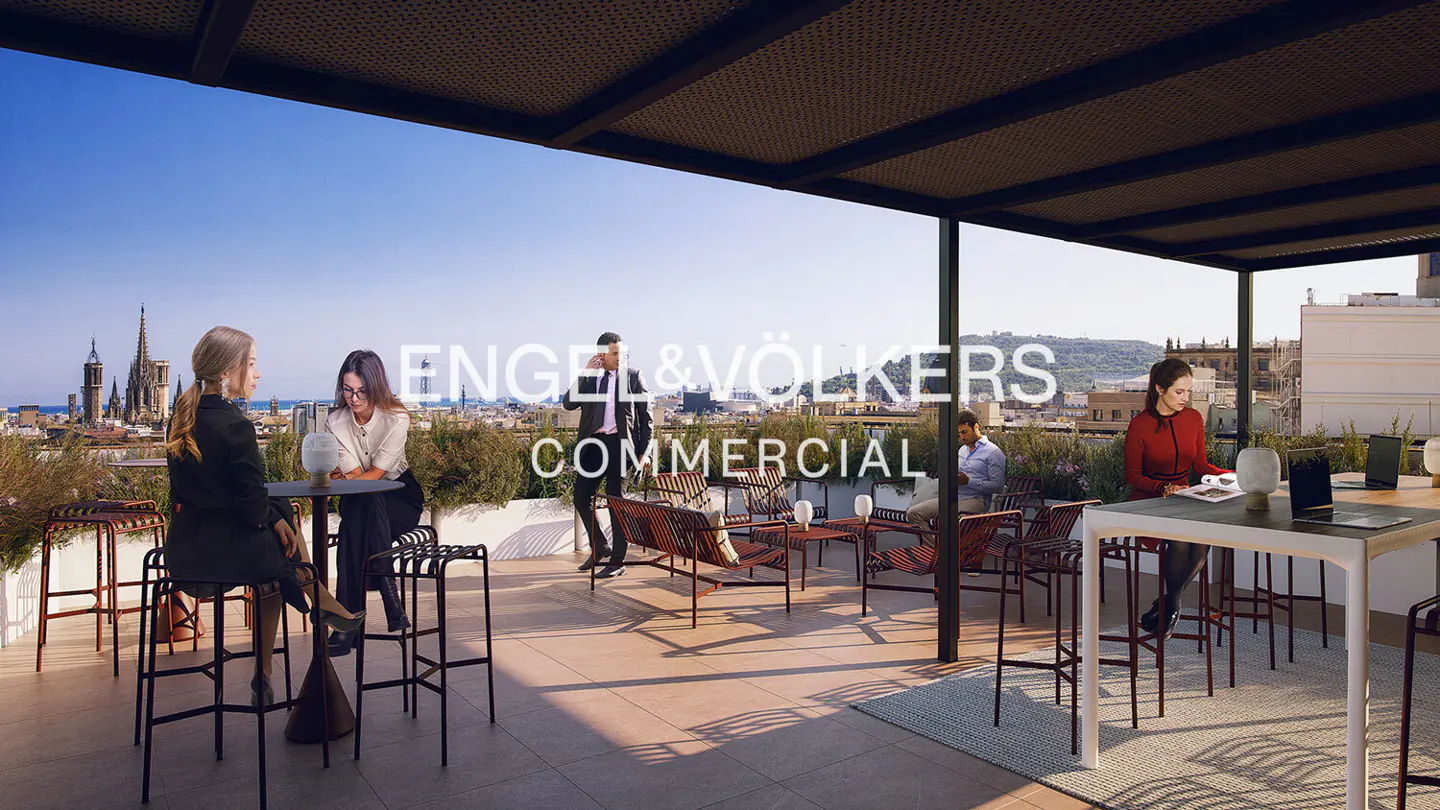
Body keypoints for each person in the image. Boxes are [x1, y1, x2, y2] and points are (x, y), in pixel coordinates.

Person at [165, 326, 364, 706]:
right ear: (227, 373)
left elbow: (220, 494)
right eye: (251, 364)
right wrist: (273, 517)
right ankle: (319, 606)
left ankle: (274, 662)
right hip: (229, 554)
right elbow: (250, 496)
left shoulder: (180, 421)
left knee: (277, 541)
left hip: (185, 551)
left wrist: (272, 515)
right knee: (282, 552)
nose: (257, 374)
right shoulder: (235, 425)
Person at [325, 349, 425, 656]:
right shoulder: (335, 422)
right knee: (362, 506)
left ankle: (346, 625)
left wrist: (352, 479)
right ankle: (389, 597)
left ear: (376, 387)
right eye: (347, 390)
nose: (354, 399)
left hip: (400, 497)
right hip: (365, 502)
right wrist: (355, 479)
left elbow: (379, 474)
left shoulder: (396, 418)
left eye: (362, 392)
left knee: (355, 522)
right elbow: (359, 479)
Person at [1125, 358, 1233, 640]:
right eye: (1179, 392)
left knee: (1203, 532)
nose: (1185, 398)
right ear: (1159, 389)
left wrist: (1234, 475)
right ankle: (1172, 607)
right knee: (1183, 536)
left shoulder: (1194, 419)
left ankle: (1167, 604)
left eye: (1189, 392)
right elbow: (1133, 476)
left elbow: (1201, 466)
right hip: (1150, 500)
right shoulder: (1140, 425)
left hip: (1184, 497)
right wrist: (1162, 487)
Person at [562, 331, 653, 578]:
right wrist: (585, 373)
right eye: (614, 353)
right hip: (593, 446)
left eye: (622, 353)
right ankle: (600, 546)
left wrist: (643, 453)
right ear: (602, 354)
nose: (619, 357)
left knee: (616, 502)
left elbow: (646, 419)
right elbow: (568, 403)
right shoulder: (591, 379)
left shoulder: (633, 377)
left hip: (621, 448)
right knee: (581, 498)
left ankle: (617, 561)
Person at [906, 408, 1007, 545]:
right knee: (914, 513)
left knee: (947, 519)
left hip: (976, 500)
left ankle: (945, 557)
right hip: (954, 497)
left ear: (976, 427)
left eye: (964, 432)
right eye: (959, 433)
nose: (962, 437)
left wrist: (969, 482)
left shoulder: (993, 452)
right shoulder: (962, 450)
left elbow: (997, 486)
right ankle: (938, 553)